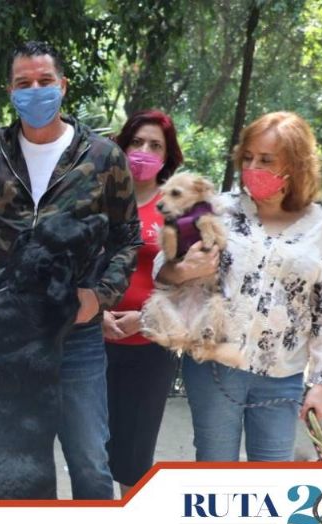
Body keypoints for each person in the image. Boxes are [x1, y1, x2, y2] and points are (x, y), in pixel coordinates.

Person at [0, 41, 140, 500]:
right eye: (24, 84)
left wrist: (98, 297)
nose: (35, 91)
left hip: (75, 333)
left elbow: (127, 238)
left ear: (62, 86)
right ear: (10, 91)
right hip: (8, 340)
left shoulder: (102, 157)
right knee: (8, 461)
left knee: (89, 463)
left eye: (44, 82)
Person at [155, 111, 322, 461]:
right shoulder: (218, 209)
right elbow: (161, 272)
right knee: (216, 475)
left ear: (296, 164)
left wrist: (320, 385)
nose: (252, 167)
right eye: (247, 157)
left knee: (271, 480)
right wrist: (182, 269)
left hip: (282, 375)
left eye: (266, 160)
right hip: (215, 367)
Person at [104, 109, 184, 497]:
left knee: (134, 460)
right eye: (136, 142)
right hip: (93, 342)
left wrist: (144, 317)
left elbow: (187, 284)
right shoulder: (98, 200)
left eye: (155, 145)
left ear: (167, 156)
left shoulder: (177, 210)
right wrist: (96, 314)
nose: (144, 151)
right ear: (122, 146)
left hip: (150, 347)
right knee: (92, 453)